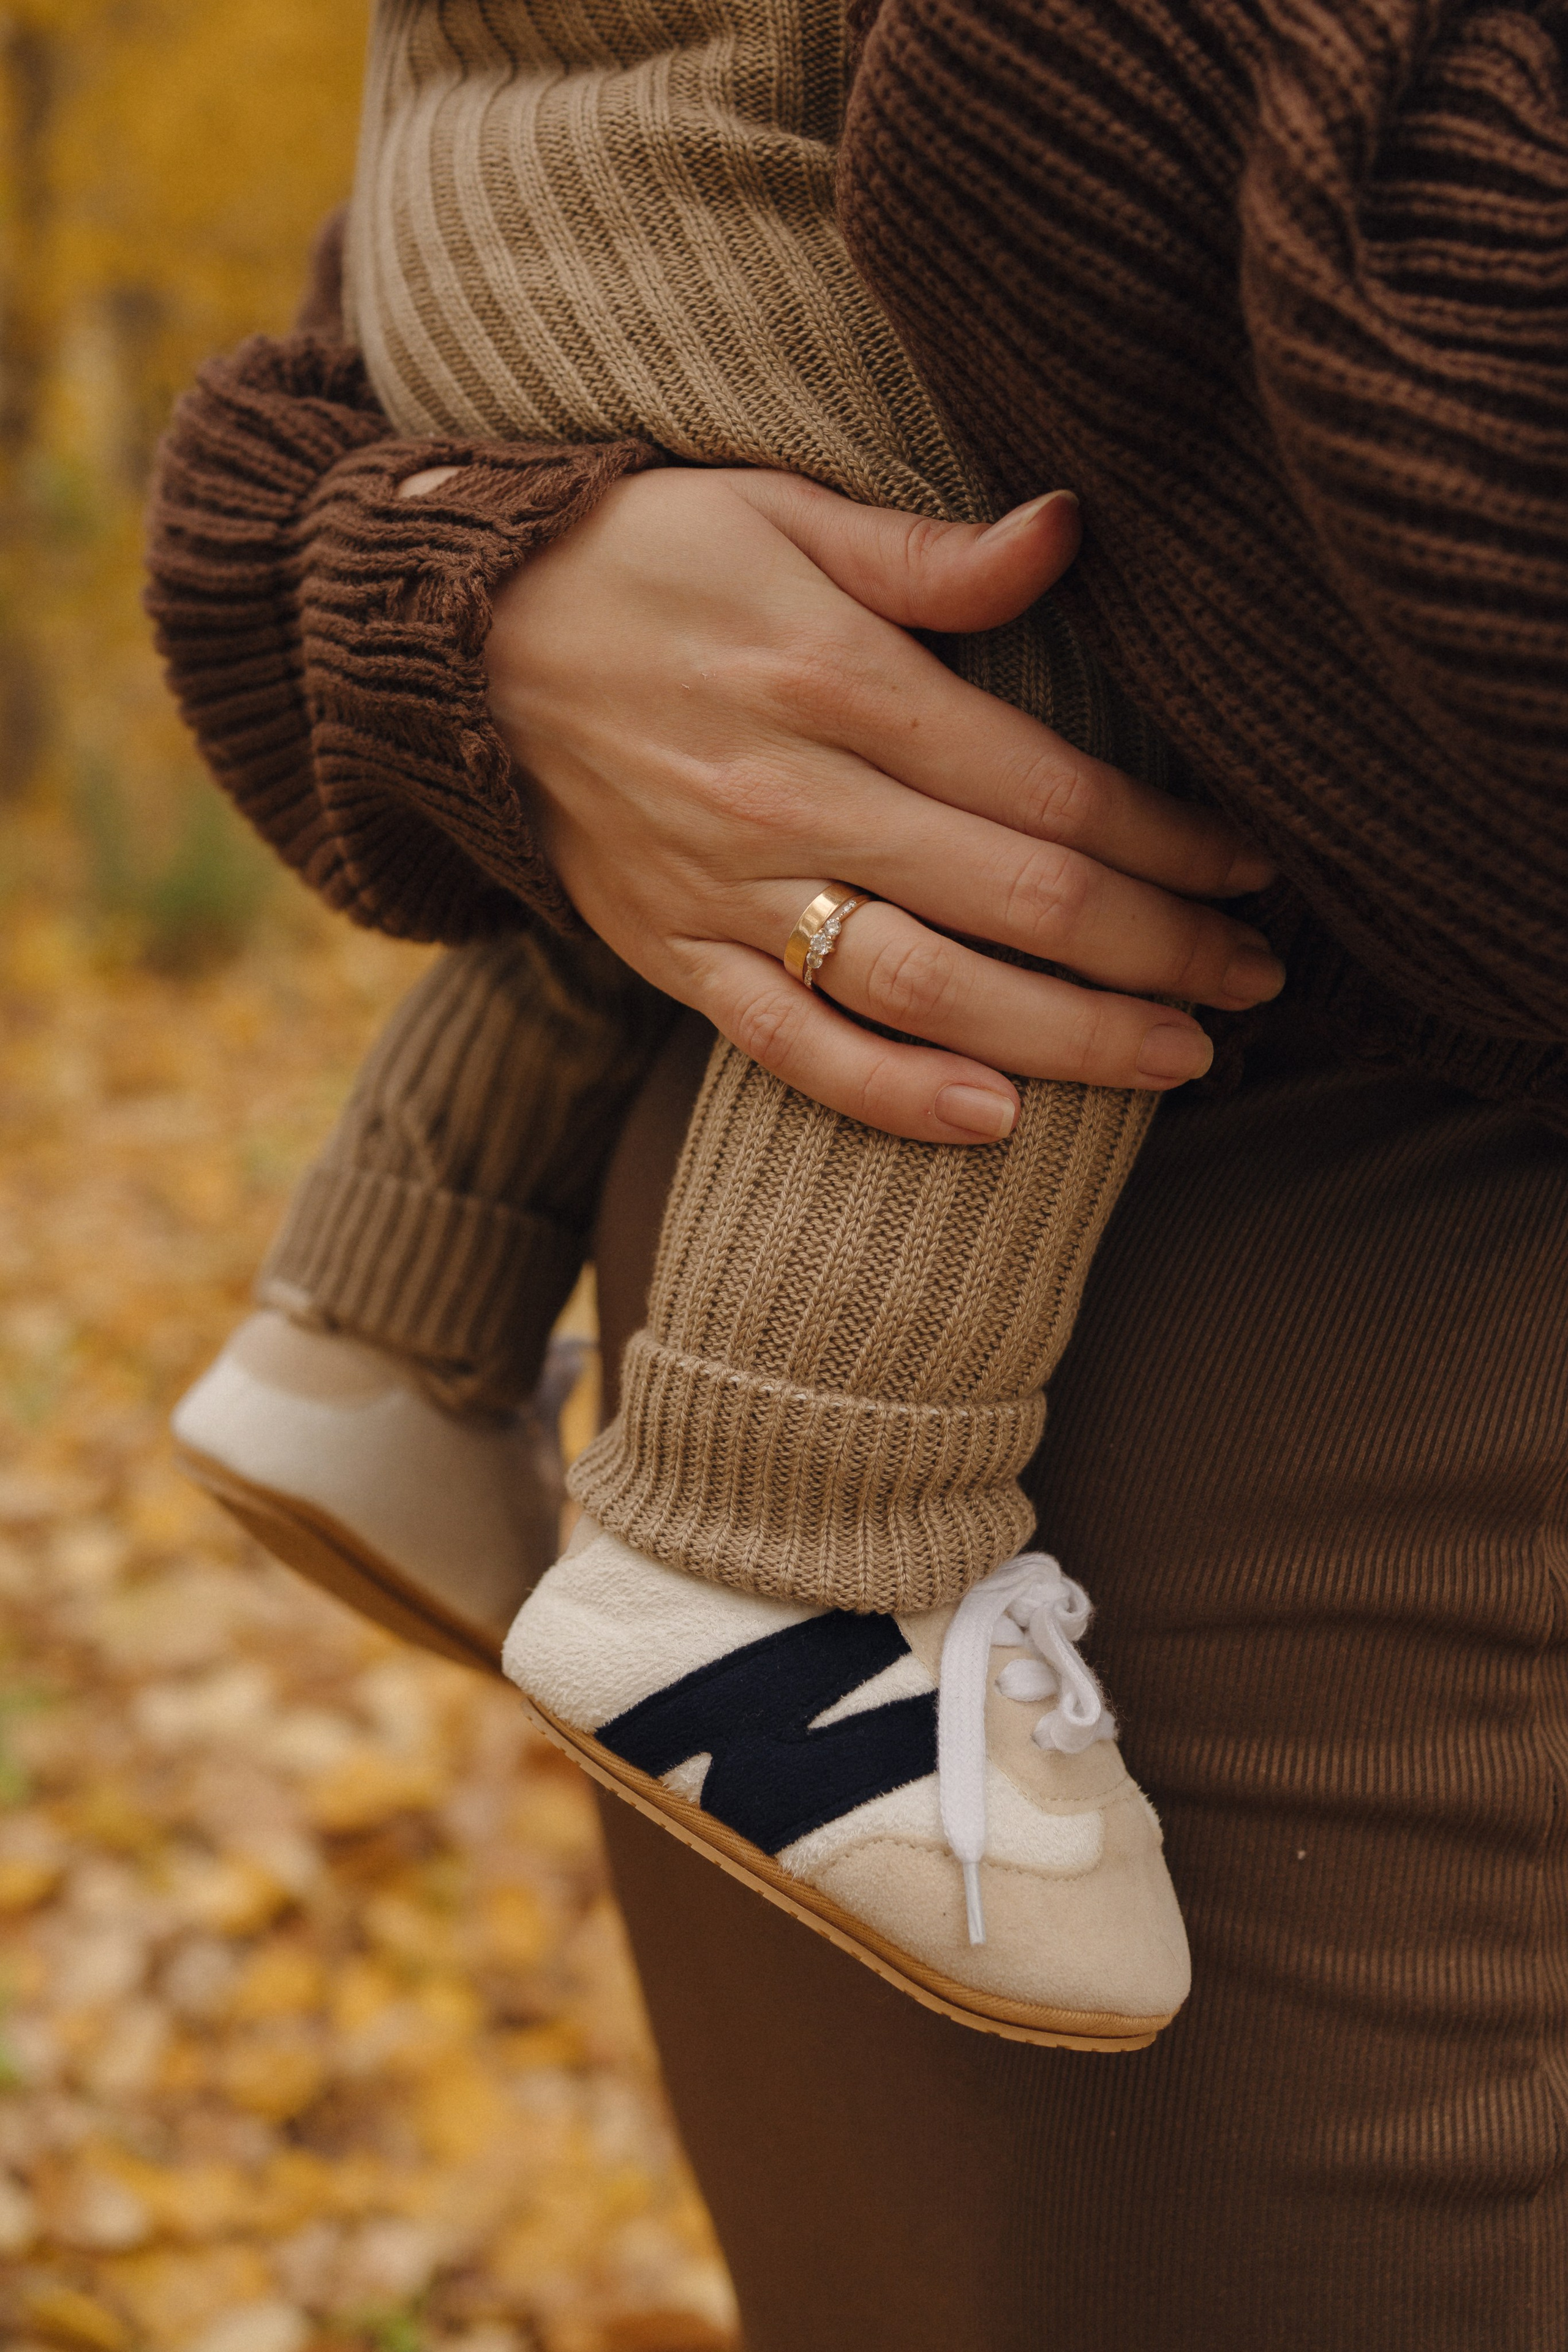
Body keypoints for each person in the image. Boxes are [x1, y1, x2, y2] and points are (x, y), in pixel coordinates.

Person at [148, 0, 1568, 2340]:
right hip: (1257, 1504)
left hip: (837, 1283)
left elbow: (441, 300)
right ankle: (781, 1547)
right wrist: (471, 604)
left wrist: (458, 577)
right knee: (1004, 634)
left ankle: (384, 1312)